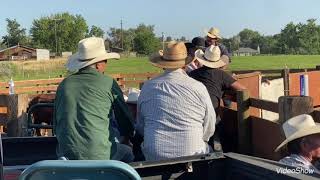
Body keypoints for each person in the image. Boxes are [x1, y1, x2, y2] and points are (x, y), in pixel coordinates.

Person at [53, 37, 135, 160]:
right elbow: (124, 118)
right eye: (105, 61)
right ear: (98, 64)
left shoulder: (64, 84)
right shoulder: (108, 83)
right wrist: (127, 137)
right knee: (128, 152)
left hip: (67, 155)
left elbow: (56, 123)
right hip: (101, 155)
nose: (106, 65)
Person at [136, 41, 216, 161]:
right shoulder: (198, 87)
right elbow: (209, 123)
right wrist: (201, 138)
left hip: (155, 155)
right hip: (193, 153)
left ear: (163, 64)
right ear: (185, 64)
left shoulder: (147, 87)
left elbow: (141, 125)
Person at [189, 45, 246, 151]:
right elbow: (243, 89)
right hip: (211, 113)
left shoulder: (192, 74)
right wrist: (225, 93)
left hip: (192, 113)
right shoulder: (221, 74)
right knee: (219, 131)